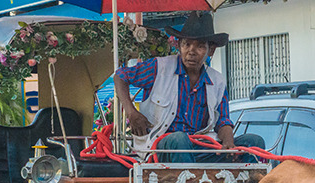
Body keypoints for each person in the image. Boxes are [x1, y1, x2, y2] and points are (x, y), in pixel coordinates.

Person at [113, 11, 263, 162]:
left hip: (201, 147)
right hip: (160, 147)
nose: (191, 51)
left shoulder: (217, 81)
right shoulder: (159, 67)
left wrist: (229, 142)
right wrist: (131, 112)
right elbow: (120, 76)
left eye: (199, 46)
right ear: (179, 45)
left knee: (254, 142)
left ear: (210, 50)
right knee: (179, 139)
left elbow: (222, 121)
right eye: (187, 44)